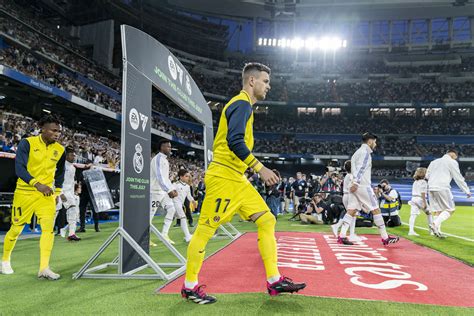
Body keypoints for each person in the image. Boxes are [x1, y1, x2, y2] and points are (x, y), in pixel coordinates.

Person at [181, 63, 306, 304]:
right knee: (206, 230)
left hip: (237, 178)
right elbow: (235, 141)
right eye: (265, 81)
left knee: (267, 219)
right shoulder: (241, 104)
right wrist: (261, 168)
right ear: (252, 81)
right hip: (224, 178)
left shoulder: (244, 106)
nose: (268, 86)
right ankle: (189, 286)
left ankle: (274, 280)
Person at [1, 114, 65, 279]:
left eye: (59, 131)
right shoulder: (27, 143)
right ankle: (5, 260)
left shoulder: (60, 150)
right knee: (16, 229)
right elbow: (20, 169)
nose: (57, 134)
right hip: (25, 193)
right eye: (53, 130)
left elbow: (60, 173)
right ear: (42, 129)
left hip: (46, 196)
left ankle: (44, 268)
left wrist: (57, 192)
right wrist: (37, 184)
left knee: (48, 230)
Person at [337, 132, 399, 246]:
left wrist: (354, 183)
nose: (375, 144)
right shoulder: (365, 152)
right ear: (370, 141)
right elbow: (361, 169)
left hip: (355, 185)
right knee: (376, 209)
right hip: (362, 185)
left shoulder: (357, 152)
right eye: (375, 142)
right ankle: (385, 237)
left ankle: (341, 236)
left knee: (351, 210)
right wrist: (356, 182)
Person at [426, 149, 471, 238]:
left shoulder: (434, 162)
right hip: (442, 187)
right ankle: (434, 224)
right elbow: (458, 177)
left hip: (431, 187)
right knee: (450, 209)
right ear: (454, 155)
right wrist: (466, 190)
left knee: (438, 210)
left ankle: (436, 232)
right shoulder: (452, 162)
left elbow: (427, 176)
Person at [150, 140, 180, 245]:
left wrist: (171, 188)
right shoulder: (157, 159)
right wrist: (169, 190)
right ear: (162, 147)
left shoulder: (165, 160)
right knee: (150, 216)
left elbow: (166, 179)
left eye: (170, 147)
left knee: (171, 209)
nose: (170, 149)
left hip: (163, 192)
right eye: (168, 147)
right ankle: (145, 239)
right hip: (154, 192)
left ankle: (164, 234)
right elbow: (159, 177)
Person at [331, 160, 359, 242]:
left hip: (346, 195)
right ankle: (351, 234)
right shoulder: (350, 176)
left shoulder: (347, 175)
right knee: (352, 216)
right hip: (350, 196)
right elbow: (353, 187)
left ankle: (342, 229)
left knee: (351, 216)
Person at [57, 146, 81, 241]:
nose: (74, 157)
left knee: (73, 211)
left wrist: (73, 194)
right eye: (72, 155)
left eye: (74, 155)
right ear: (66, 156)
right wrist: (60, 193)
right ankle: (47, 232)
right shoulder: (61, 166)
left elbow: (71, 183)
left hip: (69, 193)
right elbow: (55, 180)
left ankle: (71, 234)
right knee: (54, 212)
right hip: (59, 192)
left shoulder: (73, 168)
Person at [172, 169, 194, 242]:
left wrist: (193, 201)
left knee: (180, 219)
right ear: (181, 177)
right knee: (183, 218)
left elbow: (189, 196)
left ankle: (164, 234)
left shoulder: (187, 186)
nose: (188, 178)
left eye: (188, 176)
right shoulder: (175, 184)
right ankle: (187, 236)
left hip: (179, 205)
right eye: (186, 176)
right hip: (174, 204)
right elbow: (170, 194)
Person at [408, 167, 431, 236]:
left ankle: (411, 231)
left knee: (413, 215)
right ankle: (432, 231)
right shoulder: (423, 182)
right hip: (420, 199)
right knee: (429, 214)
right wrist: (424, 202)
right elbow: (423, 193)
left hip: (413, 199)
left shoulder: (415, 181)